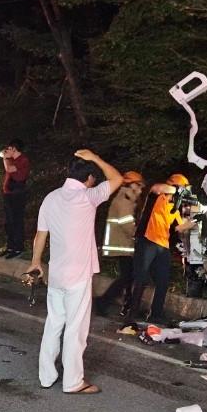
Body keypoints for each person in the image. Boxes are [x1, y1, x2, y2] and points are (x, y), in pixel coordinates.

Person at [27, 149, 123, 394]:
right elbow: (117, 179)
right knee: (75, 329)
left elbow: (40, 235)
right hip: (78, 275)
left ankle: (46, 376)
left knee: (54, 324)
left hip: (56, 273)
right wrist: (98, 159)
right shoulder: (88, 197)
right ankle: (73, 382)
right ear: (90, 177)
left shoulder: (51, 198)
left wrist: (35, 262)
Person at [125, 173, 195, 327]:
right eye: (182, 188)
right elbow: (157, 187)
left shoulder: (175, 205)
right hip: (147, 240)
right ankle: (131, 313)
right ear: (176, 186)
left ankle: (156, 314)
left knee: (163, 280)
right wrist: (178, 190)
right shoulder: (158, 194)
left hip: (163, 245)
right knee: (140, 279)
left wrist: (195, 220)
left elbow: (179, 227)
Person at [94, 170, 145, 317]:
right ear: (132, 185)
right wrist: (138, 234)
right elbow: (126, 223)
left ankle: (128, 304)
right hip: (122, 244)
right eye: (139, 186)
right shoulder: (125, 199)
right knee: (127, 277)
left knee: (129, 277)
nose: (141, 190)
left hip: (124, 243)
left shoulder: (127, 198)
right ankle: (103, 301)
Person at [0, 138, 31, 259]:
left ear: (13, 148)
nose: (6, 150)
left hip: (17, 194)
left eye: (8, 148)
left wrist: (5, 158)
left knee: (16, 221)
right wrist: (6, 158)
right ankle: (10, 246)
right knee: (8, 222)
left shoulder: (23, 160)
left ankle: (18, 248)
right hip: (8, 194)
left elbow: (10, 169)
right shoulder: (11, 160)